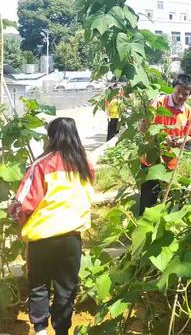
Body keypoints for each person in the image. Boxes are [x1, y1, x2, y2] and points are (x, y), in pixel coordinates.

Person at [8, 118, 94, 335]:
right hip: (71, 238)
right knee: (67, 288)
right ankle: (62, 330)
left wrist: (13, 212)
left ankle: (40, 330)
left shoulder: (42, 165)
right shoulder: (85, 165)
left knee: (39, 285)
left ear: (51, 137)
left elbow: (25, 203)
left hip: (43, 238)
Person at [139, 74, 191, 214]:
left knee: (167, 199)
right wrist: (162, 136)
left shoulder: (188, 111)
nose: (180, 96)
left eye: (185, 94)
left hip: (171, 161)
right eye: (178, 91)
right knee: (148, 198)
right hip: (152, 159)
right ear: (173, 88)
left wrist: (181, 140)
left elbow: (190, 134)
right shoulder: (158, 104)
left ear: (189, 95)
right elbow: (144, 129)